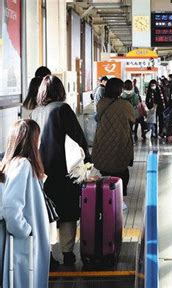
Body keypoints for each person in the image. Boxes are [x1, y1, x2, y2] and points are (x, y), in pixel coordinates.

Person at [31, 75, 90, 267]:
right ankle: (67, 253)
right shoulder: (62, 109)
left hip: (41, 171)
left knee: (46, 213)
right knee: (68, 213)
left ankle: (47, 253)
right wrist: (87, 161)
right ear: (60, 91)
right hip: (63, 170)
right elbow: (77, 137)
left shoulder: (35, 112)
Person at [0, 119, 50, 288]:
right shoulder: (23, 165)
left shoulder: (11, 163)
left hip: (21, 244)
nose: (40, 140)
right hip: (23, 245)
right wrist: (26, 231)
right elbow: (11, 207)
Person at [92, 78, 135, 209]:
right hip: (120, 141)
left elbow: (98, 117)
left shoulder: (101, 103)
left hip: (103, 141)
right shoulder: (125, 105)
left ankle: (107, 197)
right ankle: (119, 200)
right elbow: (132, 119)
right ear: (119, 90)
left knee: (105, 171)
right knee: (121, 172)